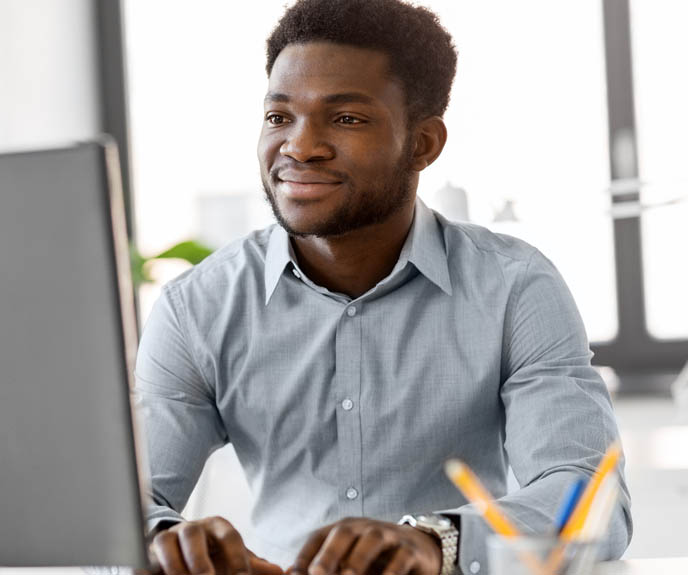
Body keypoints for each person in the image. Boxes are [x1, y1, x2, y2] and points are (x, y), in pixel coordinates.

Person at [134, 1, 632, 574]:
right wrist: (164, 542)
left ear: (423, 143)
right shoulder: (197, 305)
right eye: (279, 117)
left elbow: (591, 503)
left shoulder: (515, 287)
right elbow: (130, 505)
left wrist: (434, 543)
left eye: (346, 118)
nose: (300, 146)